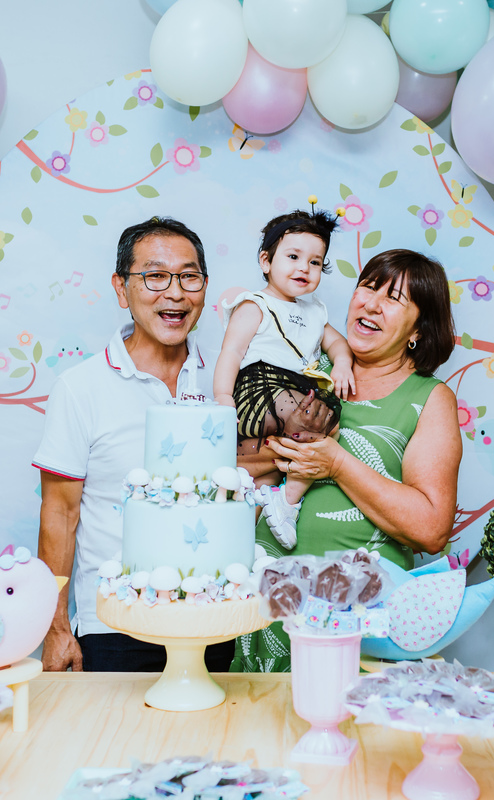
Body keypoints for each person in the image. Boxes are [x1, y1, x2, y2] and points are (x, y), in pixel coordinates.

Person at [231, 249, 464, 673]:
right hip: (265, 614)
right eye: (369, 286)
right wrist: (286, 448)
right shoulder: (301, 369)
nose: (371, 303)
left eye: (394, 298)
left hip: (358, 623)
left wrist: (336, 463)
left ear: (418, 329)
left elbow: (431, 529)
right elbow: (229, 469)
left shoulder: (428, 400)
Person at [32, 217, 234, 673]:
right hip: (115, 626)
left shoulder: (226, 379)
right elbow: (60, 514)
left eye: (189, 276)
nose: (176, 293)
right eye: (156, 276)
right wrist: (57, 628)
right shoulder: (80, 388)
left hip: (214, 620)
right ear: (122, 289)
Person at [212, 208, 355, 551]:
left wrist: (343, 364)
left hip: (295, 394)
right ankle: (268, 495)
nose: (304, 268)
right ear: (266, 261)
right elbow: (231, 352)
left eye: (315, 262)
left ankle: (286, 501)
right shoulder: (255, 305)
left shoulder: (315, 311)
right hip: (259, 390)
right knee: (305, 414)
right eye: (293, 256)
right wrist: (223, 397)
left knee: (329, 423)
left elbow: (336, 342)